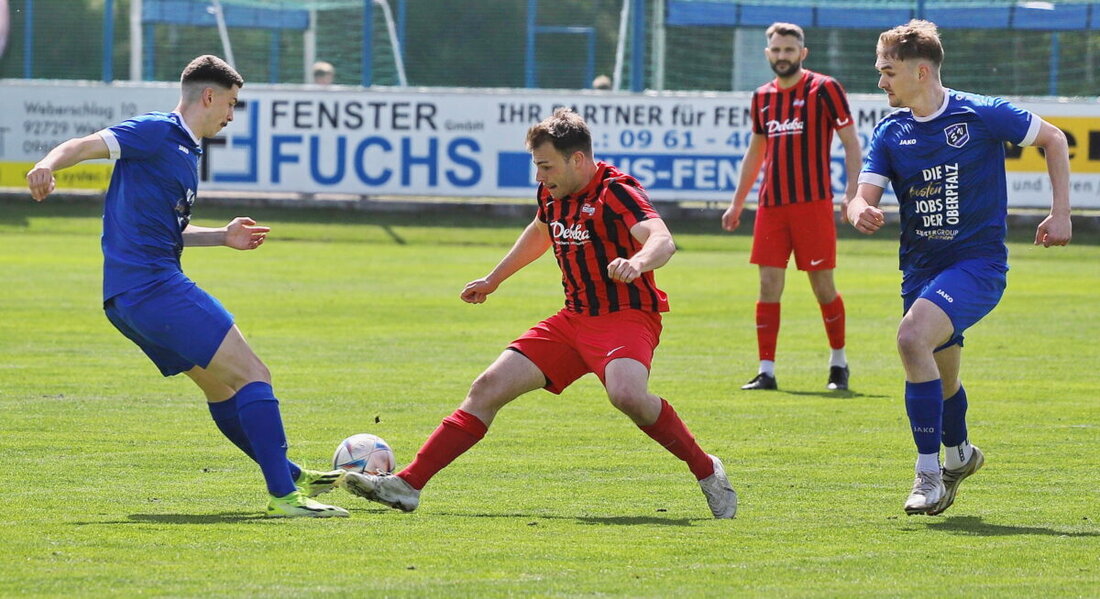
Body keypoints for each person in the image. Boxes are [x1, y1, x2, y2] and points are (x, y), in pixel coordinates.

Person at [343, 108, 737, 519]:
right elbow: (540, 231)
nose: (539, 177)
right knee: (487, 388)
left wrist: (638, 263)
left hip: (626, 315)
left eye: (546, 166)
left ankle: (707, 469)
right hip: (573, 319)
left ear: (578, 160)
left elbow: (662, 239)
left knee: (627, 396)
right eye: (537, 166)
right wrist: (494, 279)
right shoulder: (553, 194)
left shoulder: (616, 191)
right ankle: (407, 485)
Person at [25, 55, 348, 519]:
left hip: (124, 300)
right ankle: (285, 496)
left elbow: (163, 230)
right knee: (254, 375)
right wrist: (47, 164)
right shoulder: (159, 131)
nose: (232, 116)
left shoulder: (188, 149)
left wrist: (222, 236)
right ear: (209, 95)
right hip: (153, 288)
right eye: (231, 104)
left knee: (221, 389)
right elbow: (84, 144)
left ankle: (288, 473)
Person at [847, 20, 1071, 515]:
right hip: (920, 271)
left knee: (910, 339)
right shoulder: (891, 130)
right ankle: (960, 456)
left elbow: (1054, 139)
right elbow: (861, 194)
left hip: (977, 265)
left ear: (921, 71)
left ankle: (928, 474)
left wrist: (1060, 213)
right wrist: (858, 209)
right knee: (942, 379)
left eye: (887, 71)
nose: (880, 81)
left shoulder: (982, 113)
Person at [722, 22, 862, 392]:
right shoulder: (762, 97)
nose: (782, 56)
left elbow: (851, 142)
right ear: (768, 54)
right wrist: (737, 203)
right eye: (776, 50)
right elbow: (755, 152)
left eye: (789, 50)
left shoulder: (825, 89)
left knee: (823, 287)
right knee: (768, 286)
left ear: (803, 53)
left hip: (813, 204)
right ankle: (766, 370)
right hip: (771, 206)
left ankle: (838, 365)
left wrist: (853, 193)